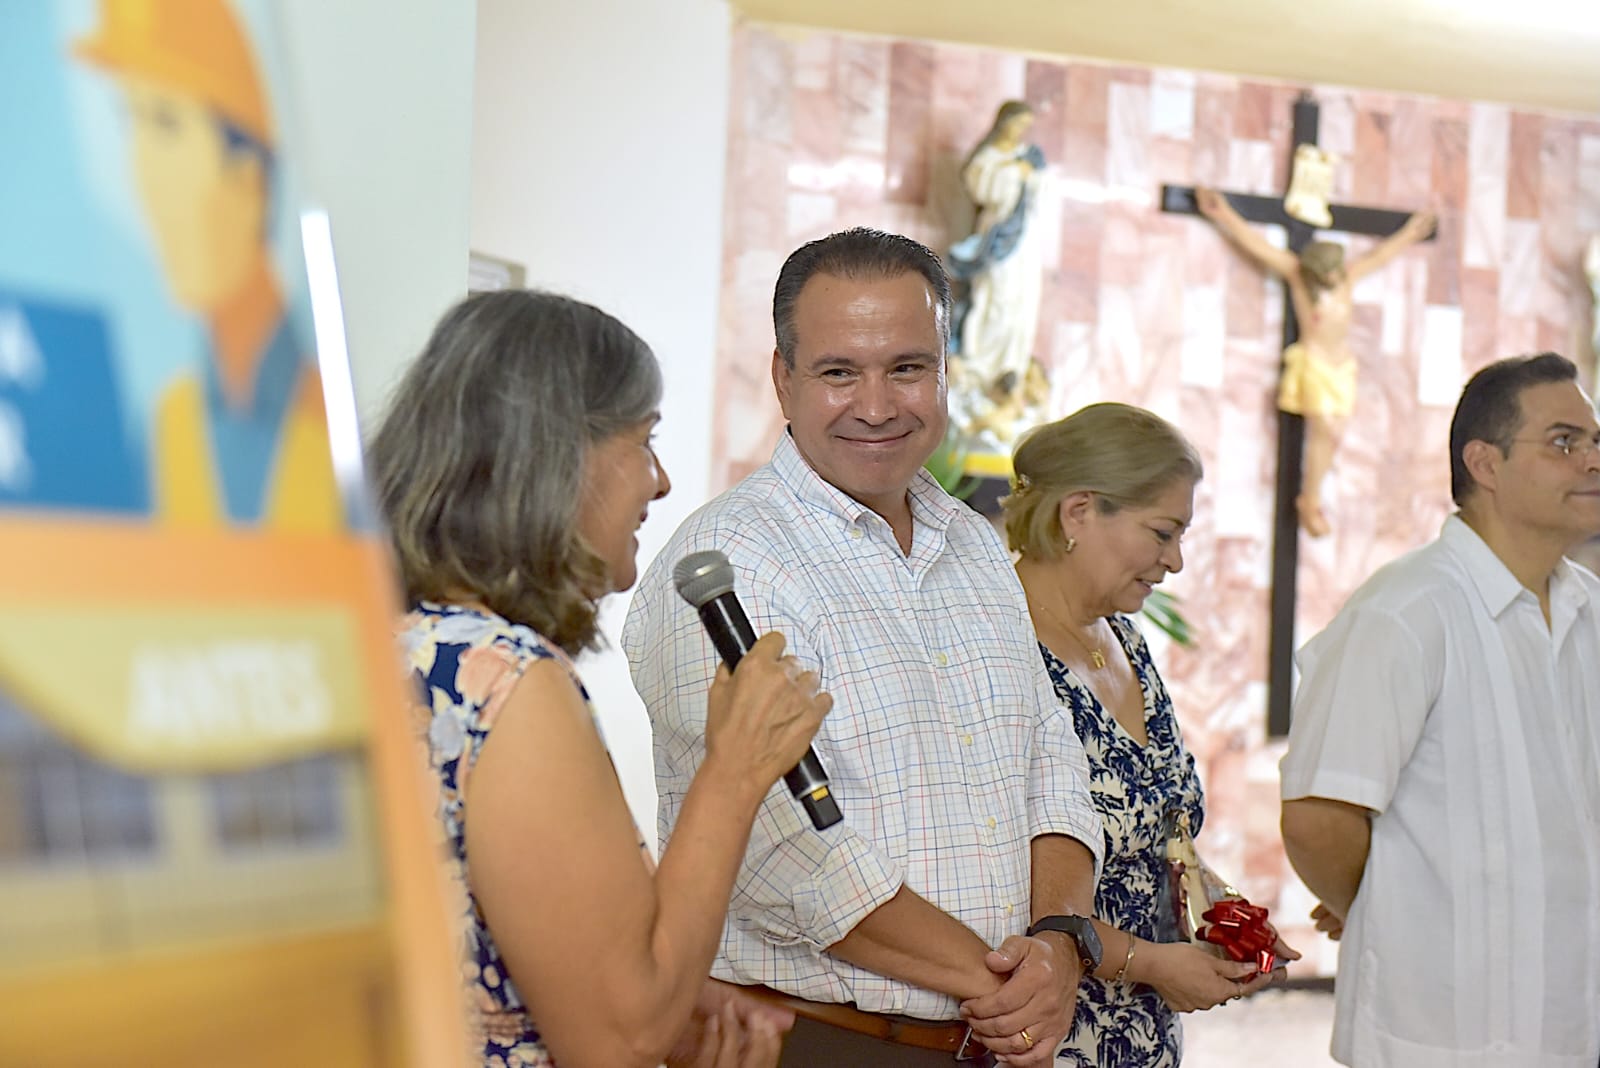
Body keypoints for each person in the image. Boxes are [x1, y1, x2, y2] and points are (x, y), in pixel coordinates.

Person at [624, 228, 1104, 1068]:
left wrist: (1061, 938)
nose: (877, 406)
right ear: (783, 377)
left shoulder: (977, 546)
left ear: (947, 369)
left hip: (993, 1035)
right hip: (820, 1042)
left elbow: (1051, 764)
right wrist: (1007, 987)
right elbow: (783, 852)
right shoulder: (724, 568)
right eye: (839, 371)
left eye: (908, 369)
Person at [368, 290, 833, 1068]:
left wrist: (673, 1002)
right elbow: (623, 1037)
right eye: (644, 440)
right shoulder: (506, 682)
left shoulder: (394, 643)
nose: (661, 481)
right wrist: (735, 771)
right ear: (559, 458)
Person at [1280, 352, 1600, 1067]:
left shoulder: (1591, 612)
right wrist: (1392, 900)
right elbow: (1317, 819)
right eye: (1564, 442)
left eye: (1595, 441)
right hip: (1441, 1034)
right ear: (1484, 463)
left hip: (1574, 1028)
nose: (1592, 461)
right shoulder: (1405, 611)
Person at [1002, 403, 1296, 1067]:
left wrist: (1226, 920)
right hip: (1044, 1033)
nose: (1177, 561)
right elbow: (1001, 883)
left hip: (1141, 1031)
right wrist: (1154, 963)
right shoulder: (1001, 644)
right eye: (1163, 532)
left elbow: (1157, 835)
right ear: (1078, 513)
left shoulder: (1124, 640)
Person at [75, 0, 341, 530]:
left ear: (250, 177)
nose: (144, 178)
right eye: (133, 122)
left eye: (166, 125)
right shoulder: (164, 428)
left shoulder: (327, 425)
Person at [1196, 188, 1434, 538]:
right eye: (1327, 276)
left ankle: (1313, 497)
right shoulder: (1298, 276)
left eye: (1336, 274)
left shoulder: (1348, 277)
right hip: (1315, 363)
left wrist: (1411, 232)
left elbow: (1382, 254)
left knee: (1335, 435)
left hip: (1341, 367)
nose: (1334, 279)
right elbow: (1256, 245)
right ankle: (1309, 500)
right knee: (1326, 429)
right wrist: (1223, 215)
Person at [948, 100, 1047, 395]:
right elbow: (982, 189)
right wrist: (1015, 172)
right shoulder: (989, 158)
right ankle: (978, 363)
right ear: (1004, 122)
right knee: (995, 296)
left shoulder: (1027, 157)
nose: (1021, 131)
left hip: (1024, 240)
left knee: (1021, 301)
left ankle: (1007, 367)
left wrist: (1026, 172)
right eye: (1018, 124)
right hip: (997, 236)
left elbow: (1038, 192)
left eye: (1026, 126)